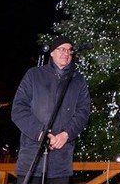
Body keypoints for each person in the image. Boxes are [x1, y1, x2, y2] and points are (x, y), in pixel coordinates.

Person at [12, 36, 91, 184]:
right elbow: (18, 109)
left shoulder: (78, 80)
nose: (66, 53)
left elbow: (83, 111)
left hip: (60, 160)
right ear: (52, 53)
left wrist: (66, 134)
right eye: (61, 49)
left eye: (69, 50)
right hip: (32, 158)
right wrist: (40, 133)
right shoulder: (33, 75)